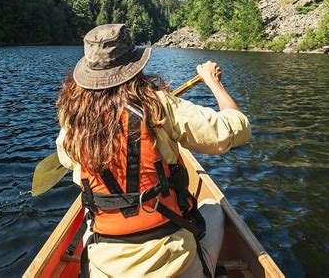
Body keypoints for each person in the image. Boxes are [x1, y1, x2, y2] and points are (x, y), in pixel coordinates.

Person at [56, 24, 251, 277]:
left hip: (106, 267)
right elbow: (238, 129)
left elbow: (66, 158)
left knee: (88, 212)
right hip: (172, 265)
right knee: (214, 207)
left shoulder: (74, 119)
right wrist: (213, 83)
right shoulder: (158, 105)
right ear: (134, 65)